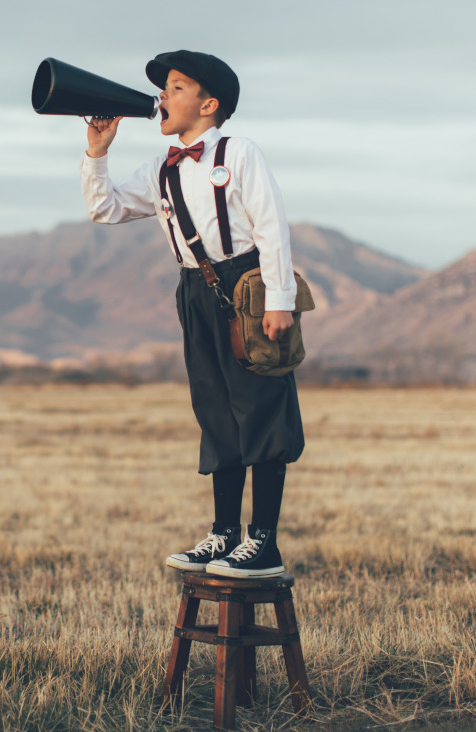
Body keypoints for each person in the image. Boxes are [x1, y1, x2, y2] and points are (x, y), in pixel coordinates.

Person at [80, 50, 303, 579]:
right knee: (216, 410)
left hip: (247, 285)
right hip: (195, 292)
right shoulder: (160, 166)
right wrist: (96, 154)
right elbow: (105, 208)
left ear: (209, 104)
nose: (162, 96)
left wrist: (280, 301)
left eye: (176, 87)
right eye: (164, 88)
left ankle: (263, 543)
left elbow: (271, 225)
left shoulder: (239, 151)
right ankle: (224, 534)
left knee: (261, 408)